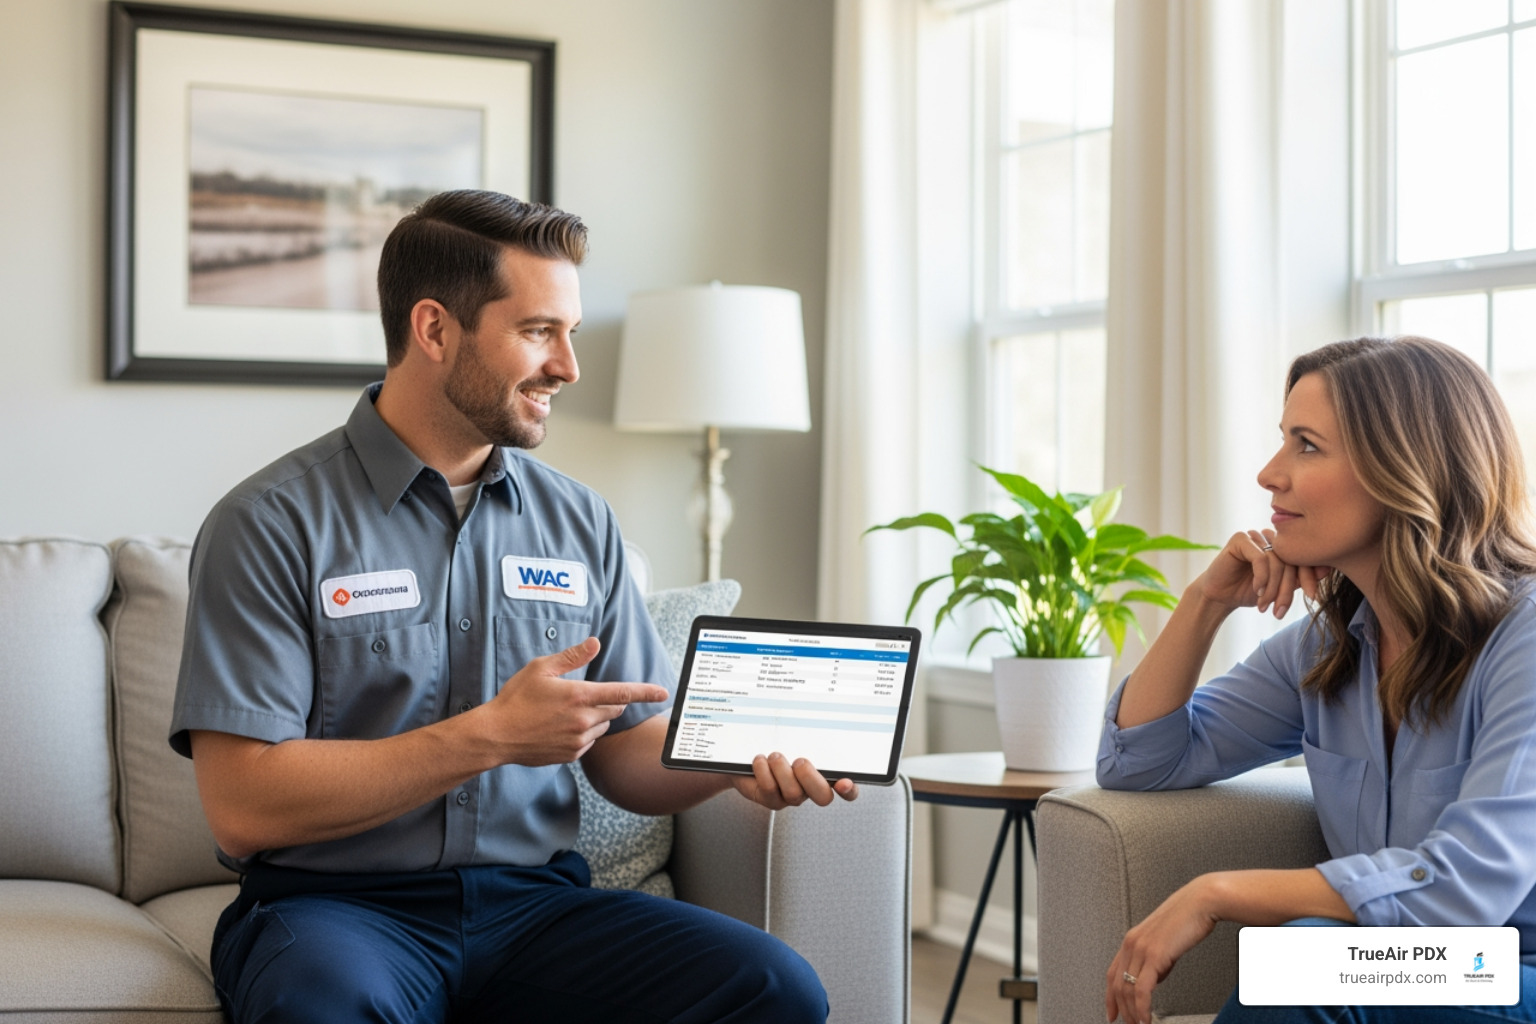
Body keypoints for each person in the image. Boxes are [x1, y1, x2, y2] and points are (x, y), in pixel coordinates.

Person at [169, 189, 856, 1024]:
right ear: (434, 329)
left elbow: (625, 752)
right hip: (335, 911)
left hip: (536, 910)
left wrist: (729, 759)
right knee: (324, 1007)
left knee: (776, 989)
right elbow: (243, 808)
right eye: (538, 331)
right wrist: (490, 735)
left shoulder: (580, 520)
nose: (568, 366)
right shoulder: (270, 523)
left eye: (570, 332)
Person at [1095, 336, 1536, 1024]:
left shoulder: (1524, 637)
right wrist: (1205, 603)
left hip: (1507, 967)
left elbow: (1463, 891)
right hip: (1422, 967)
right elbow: (1137, 761)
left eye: (1306, 446)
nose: (1270, 474)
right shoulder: (1328, 647)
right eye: (1284, 441)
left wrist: (1215, 893)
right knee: (1306, 958)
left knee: (1307, 965)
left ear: (1403, 468)